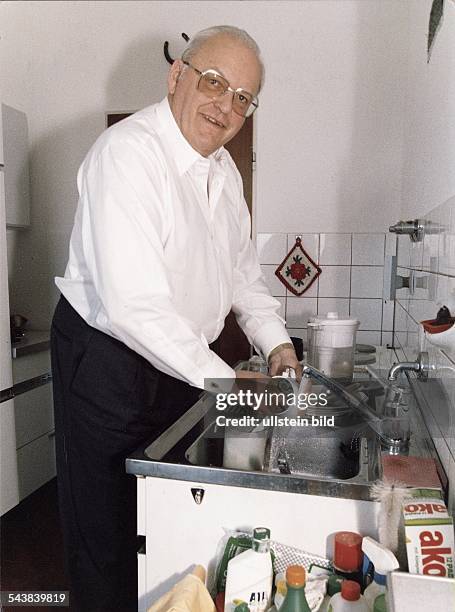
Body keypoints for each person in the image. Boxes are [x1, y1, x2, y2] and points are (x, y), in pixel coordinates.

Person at [51, 25, 300, 612]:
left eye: (243, 96)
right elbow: (133, 305)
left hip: (175, 364)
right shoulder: (128, 154)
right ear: (176, 76)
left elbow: (242, 277)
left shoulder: (224, 174)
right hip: (108, 361)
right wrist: (225, 380)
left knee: (162, 520)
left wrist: (277, 344)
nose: (226, 105)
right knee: (106, 533)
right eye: (215, 82)